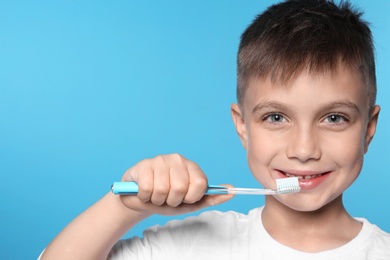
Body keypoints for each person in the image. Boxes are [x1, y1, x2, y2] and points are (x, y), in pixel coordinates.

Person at [40, 0, 390, 259]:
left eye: (334, 119)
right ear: (242, 126)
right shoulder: (189, 246)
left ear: (369, 129)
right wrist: (124, 209)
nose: (303, 149)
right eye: (276, 118)